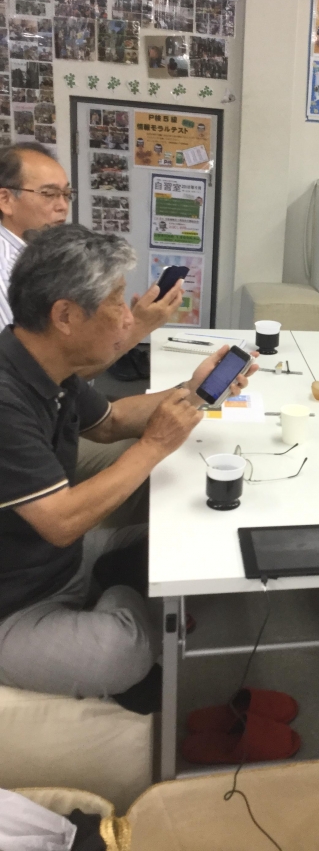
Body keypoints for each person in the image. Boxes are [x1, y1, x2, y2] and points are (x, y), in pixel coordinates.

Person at [0, 224, 253, 711]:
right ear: (65, 315)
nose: (128, 317)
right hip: (14, 602)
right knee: (123, 652)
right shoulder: (6, 397)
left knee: (188, 544)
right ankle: (127, 596)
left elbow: (112, 422)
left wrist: (196, 390)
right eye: (116, 301)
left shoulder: (46, 365)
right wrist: (155, 445)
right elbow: (61, 521)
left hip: (55, 563)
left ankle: (120, 589)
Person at [0, 143, 183, 342]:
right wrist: (139, 326)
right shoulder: (5, 268)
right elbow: (35, 356)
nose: (62, 206)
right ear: (5, 200)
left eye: (66, 195)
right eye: (49, 194)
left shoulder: (43, 257)